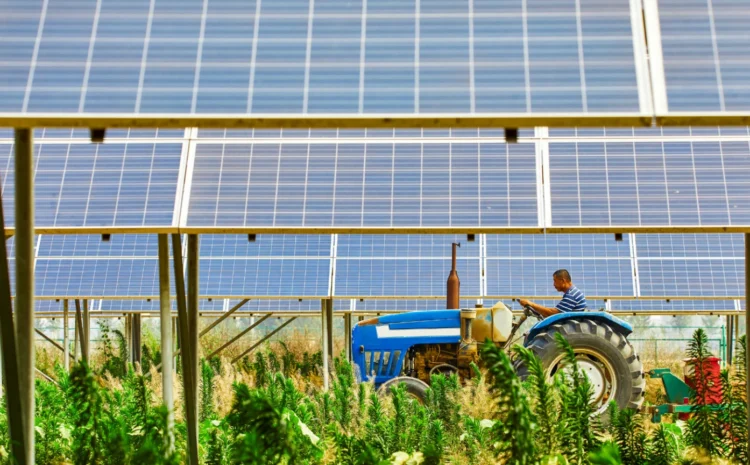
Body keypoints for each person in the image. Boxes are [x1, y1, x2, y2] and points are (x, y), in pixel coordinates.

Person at [518, 269, 586, 318]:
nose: (553, 284)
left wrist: (531, 304)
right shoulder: (573, 292)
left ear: (563, 281)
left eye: (555, 281)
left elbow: (553, 314)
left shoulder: (572, 295)